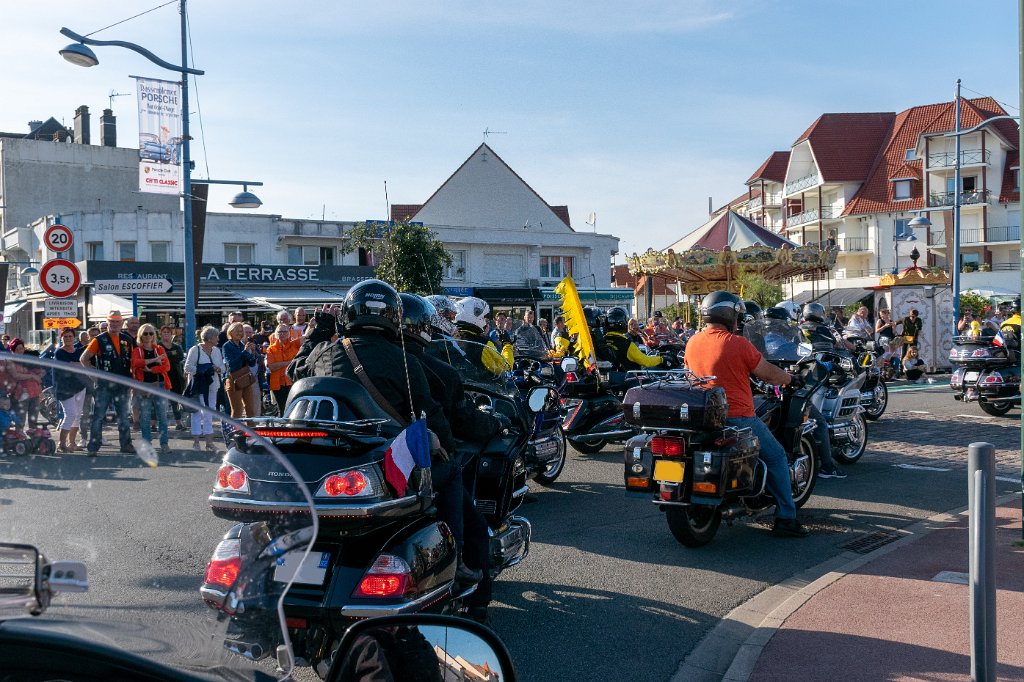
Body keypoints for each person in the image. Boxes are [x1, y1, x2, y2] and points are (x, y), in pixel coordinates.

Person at [287, 281, 473, 582]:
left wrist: (319, 329)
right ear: (394, 317)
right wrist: (447, 448)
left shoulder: (323, 353)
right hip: (382, 469)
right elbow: (431, 417)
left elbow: (294, 372)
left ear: (348, 314)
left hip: (328, 467)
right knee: (451, 470)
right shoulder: (405, 361)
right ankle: (458, 557)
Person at [684, 291, 809, 537]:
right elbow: (767, 373)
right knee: (777, 457)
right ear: (729, 315)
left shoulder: (693, 342)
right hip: (737, 416)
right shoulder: (737, 343)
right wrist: (790, 379)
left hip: (702, 417)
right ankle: (786, 517)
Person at [80, 311, 136, 455]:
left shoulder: (127, 340)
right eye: (112, 321)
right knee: (98, 417)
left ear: (122, 323)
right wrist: (94, 377)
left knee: (123, 417)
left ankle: (126, 445)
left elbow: (133, 362)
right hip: (104, 386)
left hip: (122, 385)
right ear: (107, 322)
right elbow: (84, 359)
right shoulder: (99, 340)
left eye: (117, 321)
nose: (115, 324)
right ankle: (93, 447)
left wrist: (132, 381)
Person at [131, 324, 171, 455]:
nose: (148, 336)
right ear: (140, 335)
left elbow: (166, 367)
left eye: (151, 333)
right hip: (144, 386)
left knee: (162, 416)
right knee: (145, 417)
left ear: (154, 335)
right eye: (145, 333)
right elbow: (135, 363)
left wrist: (151, 369)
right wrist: (154, 360)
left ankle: (164, 443)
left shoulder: (159, 349)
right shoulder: (137, 350)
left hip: (160, 385)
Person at [184, 326, 225, 451]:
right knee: (197, 413)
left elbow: (223, 368)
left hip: (212, 385)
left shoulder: (216, 351)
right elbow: (187, 367)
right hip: (198, 386)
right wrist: (204, 369)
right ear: (209, 338)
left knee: (209, 412)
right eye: (216, 336)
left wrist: (218, 369)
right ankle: (196, 442)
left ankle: (209, 442)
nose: (218, 339)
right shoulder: (195, 349)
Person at [453, 297, 513, 371]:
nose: (484, 321)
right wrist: (507, 344)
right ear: (474, 316)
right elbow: (505, 368)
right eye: (483, 317)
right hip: (477, 378)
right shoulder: (482, 344)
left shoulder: (450, 337)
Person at [53, 327, 87, 453]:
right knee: (70, 414)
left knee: (77, 415)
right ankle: (61, 444)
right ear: (61, 338)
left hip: (79, 386)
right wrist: (82, 364)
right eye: (65, 336)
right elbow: (70, 366)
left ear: (74, 338)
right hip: (65, 389)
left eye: (70, 336)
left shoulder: (78, 351)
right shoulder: (59, 352)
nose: (68, 338)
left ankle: (72, 443)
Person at [603, 306, 663, 372]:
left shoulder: (602, 340)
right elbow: (645, 361)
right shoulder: (626, 343)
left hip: (608, 376)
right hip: (627, 376)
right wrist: (662, 359)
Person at [222, 322, 260, 418]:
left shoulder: (242, 345)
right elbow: (231, 364)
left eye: (241, 331)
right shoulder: (227, 346)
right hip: (233, 379)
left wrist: (253, 352)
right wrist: (244, 352)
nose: (239, 333)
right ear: (231, 332)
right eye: (237, 331)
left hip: (245, 379)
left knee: (250, 409)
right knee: (237, 410)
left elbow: (251, 363)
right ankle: (234, 427)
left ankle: (251, 427)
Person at [6, 338, 44, 428]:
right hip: (20, 393)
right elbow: (15, 375)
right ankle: (19, 436)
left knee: (33, 420)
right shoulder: (10, 361)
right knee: (20, 421)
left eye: (21, 348)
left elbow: (41, 372)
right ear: (12, 351)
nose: (20, 351)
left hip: (34, 392)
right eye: (17, 349)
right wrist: (32, 376)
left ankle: (33, 435)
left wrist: (39, 377)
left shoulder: (29, 358)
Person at [266, 323, 301, 415]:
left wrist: (280, 364)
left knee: (294, 408)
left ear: (289, 333)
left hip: (292, 381)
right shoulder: (271, 349)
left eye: (284, 331)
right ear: (276, 334)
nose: (282, 334)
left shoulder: (294, 345)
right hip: (278, 384)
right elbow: (272, 367)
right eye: (279, 332)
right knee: (282, 409)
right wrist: (290, 362)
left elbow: (306, 338)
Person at [158, 326, 187, 431]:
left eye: (168, 332)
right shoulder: (158, 346)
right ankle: (155, 424)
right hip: (161, 376)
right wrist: (171, 354)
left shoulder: (177, 346)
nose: (166, 334)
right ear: (160, 334)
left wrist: (167, 355)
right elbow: (159, 358)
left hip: (175, 376)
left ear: (171, 334)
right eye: (164, 332)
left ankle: (178, 423)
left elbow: (180, 356)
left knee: (176, 400)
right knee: (159, 401)